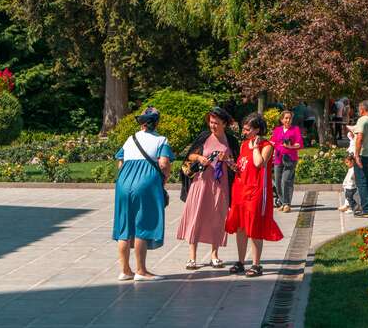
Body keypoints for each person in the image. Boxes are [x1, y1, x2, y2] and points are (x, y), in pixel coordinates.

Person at [113, 107, 174, 281]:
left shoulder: (130, 139)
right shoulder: (161, 140)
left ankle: (125, 270)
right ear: (156, 122)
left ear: (142, 123)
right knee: (143, 224)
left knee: (124, 226)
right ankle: (141, 271)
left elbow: (120, 162)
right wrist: (165, 177)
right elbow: (163, 164)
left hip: (123, 183)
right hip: (146, 184)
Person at [176, 107, 239, 270]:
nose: (212, 126)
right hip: (201, 183)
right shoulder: (204, 137)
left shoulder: (231, 141)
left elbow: (236, 167)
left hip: (220, 185)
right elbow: (190, 156)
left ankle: (214, 255)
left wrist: (227, 159)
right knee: (196, 216)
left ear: (224, 124)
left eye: (216, 123)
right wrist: (199, 157)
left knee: (218, 218)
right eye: (211, 122)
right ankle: (192, 257)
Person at [224, 112, 283, 276]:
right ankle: (241, 261)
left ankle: (256, 264)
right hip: (240, 190)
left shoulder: (267, 146)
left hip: (256, 191)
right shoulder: (244, 144)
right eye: (244, 129)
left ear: (257, 130)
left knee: (254, 226)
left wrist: (256, 147)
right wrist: (230, 163)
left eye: (247, 129)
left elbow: (258, 163)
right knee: (240, 227)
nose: (244, 132)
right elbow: (241, 167)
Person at [271, 109, 303, 213]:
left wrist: (291, 146)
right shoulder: (277, 130)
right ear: (281, 119)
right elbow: (272, 142)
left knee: (286, 181)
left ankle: (287, 204)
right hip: (278, 158)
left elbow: (299, 144)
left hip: (290, 159)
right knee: (278, 181)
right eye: (286, 118)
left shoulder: (295, 129)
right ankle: (282, 202)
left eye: (290, 118)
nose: (288, 120)